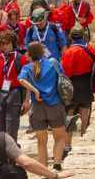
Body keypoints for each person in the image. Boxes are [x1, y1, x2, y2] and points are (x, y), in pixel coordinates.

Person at [18, 40, 69, 170]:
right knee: (59, 137)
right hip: (55, 105)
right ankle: (57, 163)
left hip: (37, 108)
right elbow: (63, 78)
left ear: (30, 54)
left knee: (41, 142)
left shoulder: (27, 68)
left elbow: (21, 80)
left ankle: (44, 169)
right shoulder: (53, 63)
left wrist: (35, 91)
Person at [0, 29, 27, 140]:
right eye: (2, 44)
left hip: (14, 93)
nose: (5, 47)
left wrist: (27, 101)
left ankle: (12, 148)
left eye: (7, 44)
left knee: (11, 126)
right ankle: (1, 148)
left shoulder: (20, 58)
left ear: (13, 43)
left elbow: (27, 82)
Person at [61, 25, 95, 134]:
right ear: (83, 36)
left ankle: (68, 136)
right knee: (85, 109)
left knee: (70, 111)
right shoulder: (90, 49)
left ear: (71, 37)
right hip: (87, 83)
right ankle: (83, 132)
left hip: (72, 84)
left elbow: (65, 71)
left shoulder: (69, 52)